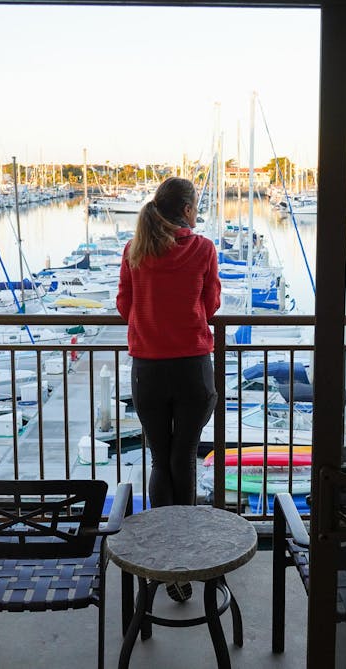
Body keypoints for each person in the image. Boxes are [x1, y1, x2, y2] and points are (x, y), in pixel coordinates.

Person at [116, 177, 220, 602]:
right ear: (189, 210)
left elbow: (125, 305)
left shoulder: (135, 250)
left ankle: (163, 562)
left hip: (149, 370)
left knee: (161, 459)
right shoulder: (203, 250)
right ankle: (185, 562)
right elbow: (211, 305)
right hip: (193, 368)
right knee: (184, 457)